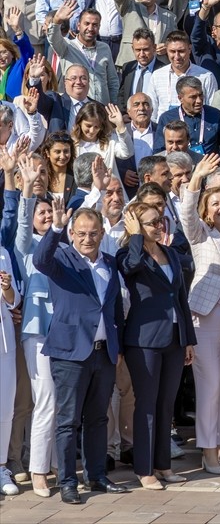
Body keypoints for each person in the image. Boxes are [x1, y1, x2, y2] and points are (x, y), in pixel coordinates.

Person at [33, 204, 129, 504]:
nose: (88, 239)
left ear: (102, 234)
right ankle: (67, 481)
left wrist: (119, 348)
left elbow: (113, 309)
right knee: (67, 420)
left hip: (103, 352)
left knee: (98, 418)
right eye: (82, 234)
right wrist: (57, 229)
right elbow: (40, 259)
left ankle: (97, 475)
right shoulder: (61, 258)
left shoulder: (111, 263)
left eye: (93, 233)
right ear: (73, 234)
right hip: (70, 352)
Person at [116, 201, 195, 489]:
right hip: (143, 340)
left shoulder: (171, 253)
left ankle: (163, 464)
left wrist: (188, 340)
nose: (158, 226)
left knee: (166, 404)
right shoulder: (128, 253)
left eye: (160, 220)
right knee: (146, 405)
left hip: (174, 338)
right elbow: (130, 268)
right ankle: (144, 468)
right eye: (150, 222)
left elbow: (180, 299)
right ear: (135, 226)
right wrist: (136, 236)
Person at [179, 153, 220, 474]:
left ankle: (219, 444)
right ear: (207, 210)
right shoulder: (202, 235)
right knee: (211, 382)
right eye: (214, 202)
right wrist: (196, 180)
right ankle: (206, 450)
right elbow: (186, 215)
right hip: (203, 316)